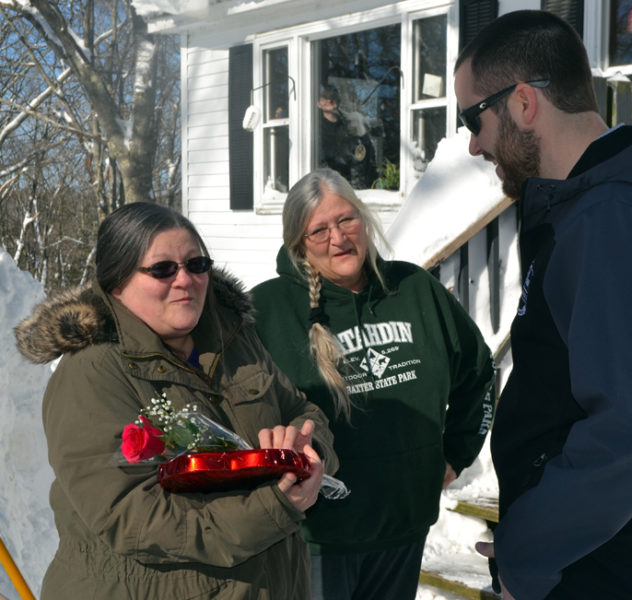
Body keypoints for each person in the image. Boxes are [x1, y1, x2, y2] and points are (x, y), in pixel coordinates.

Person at [453, 9, 632, 600]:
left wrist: (531, 552)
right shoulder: (587, 212)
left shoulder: (614, 221)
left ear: (523, 103)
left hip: (616, 573)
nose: (473, 144)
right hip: (604, 561)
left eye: (474, 117)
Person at [14, 202, 338, 600]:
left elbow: (301, 410)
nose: (185, 280)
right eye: (163, 269)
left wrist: (308, 448)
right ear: (117, 282)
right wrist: (272, 509)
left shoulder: (233, 337)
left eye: (197, 264)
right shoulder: (92, 372)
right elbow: (132, 517)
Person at [249, 168, 496, 600]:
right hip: (316, 539)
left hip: (404, 528)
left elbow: (478, 373)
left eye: (346, 219)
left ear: (364, 217)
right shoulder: (269, 309)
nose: (339, 238)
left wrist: (457, 453)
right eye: (319, 230)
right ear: (298, 244)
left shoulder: (415, 289)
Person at [317, 85, 377, 189]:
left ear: (339, 101)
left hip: (353, 186)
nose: (329, 100)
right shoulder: (315, 128)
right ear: (318, 103)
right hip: (327, 186)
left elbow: (363, 156)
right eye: (324, 97)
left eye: (333, 96)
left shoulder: (351, 125)